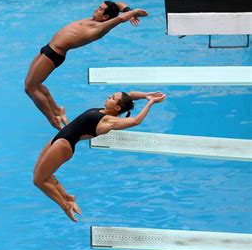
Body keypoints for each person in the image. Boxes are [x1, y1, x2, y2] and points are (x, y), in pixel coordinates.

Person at [32, 91, 166, 222]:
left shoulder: (109, 121)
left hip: (64, 145)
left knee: (39, 180)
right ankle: (68, 197)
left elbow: (135, 121)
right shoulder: (106, 110)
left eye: (112, 98)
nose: (108, 97)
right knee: (40, 173)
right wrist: (146, 95)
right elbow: (130, 95)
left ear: (117, 107)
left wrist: (151, 103)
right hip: (59, 138)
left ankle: (65, 205)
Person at [24, 1, 148, 130]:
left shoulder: (99, 28)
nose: (96, 9)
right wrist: (128, 9)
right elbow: (117, 4)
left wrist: (134, 12)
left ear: (105, 17)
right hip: (48, 47)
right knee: (35, 85)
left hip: (54, 54)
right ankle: (57, 111)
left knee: (31, 88)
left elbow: (121, 18)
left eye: (100, 9)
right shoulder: (96, 19)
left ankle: (52, 119)